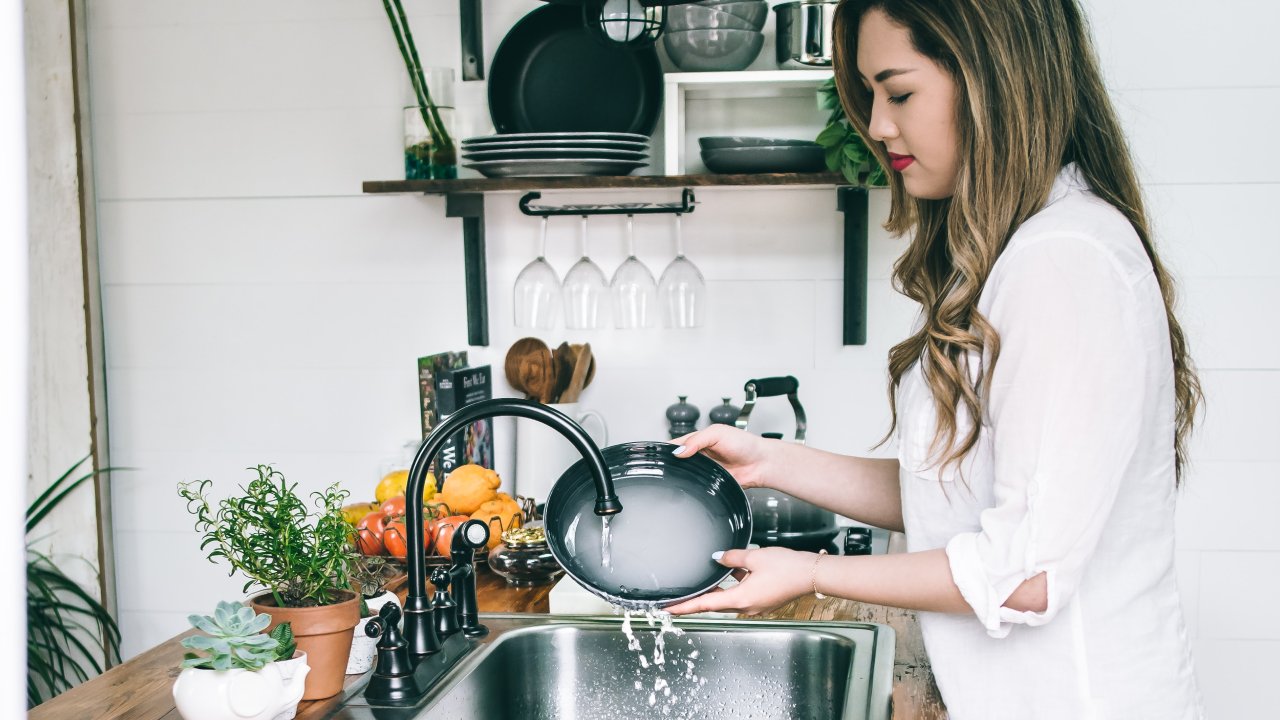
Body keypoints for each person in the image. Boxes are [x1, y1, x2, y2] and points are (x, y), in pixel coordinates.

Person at [665, 1, 1205, 717]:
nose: (879, 125)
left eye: (900, 92)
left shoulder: (1061, 262)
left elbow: (1025, 575)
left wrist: (812, 572)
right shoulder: (1029, 251)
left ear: (990, 80)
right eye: (871, 96)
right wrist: (767, 462)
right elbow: (957, 498)